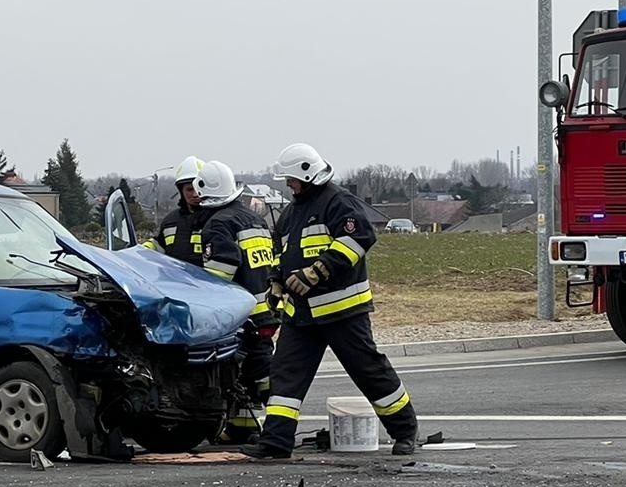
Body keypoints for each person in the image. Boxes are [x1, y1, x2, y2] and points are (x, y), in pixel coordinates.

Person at [244, 142, 419, 459]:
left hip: (343, 312)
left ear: (306, 175)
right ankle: (276, 441)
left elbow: (359, 238)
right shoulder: (290, 213)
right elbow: (280, 254)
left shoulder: (338, 202)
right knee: (285, 374)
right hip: (301, 315)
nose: (288, 186)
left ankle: (405, 431)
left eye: (291, 180)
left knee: (368, 371)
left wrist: (317, 271)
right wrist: (276, 283)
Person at [189, 160, 276, 435]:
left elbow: (221, 271)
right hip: (265, 308)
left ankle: (279, 426)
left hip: (240, 315)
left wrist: (195, 292)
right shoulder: (253, 218)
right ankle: (242, 428)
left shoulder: (218, 224)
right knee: (252, 371)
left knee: (250, 372)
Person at [141, 156, 205, 266]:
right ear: (181, 190)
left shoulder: (217, 219)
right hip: (174, 281)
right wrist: (137, 252)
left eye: (198, 188)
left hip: (207, 282)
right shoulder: (170, 221)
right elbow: (158, 245)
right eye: (190, 189)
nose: (195, 194)